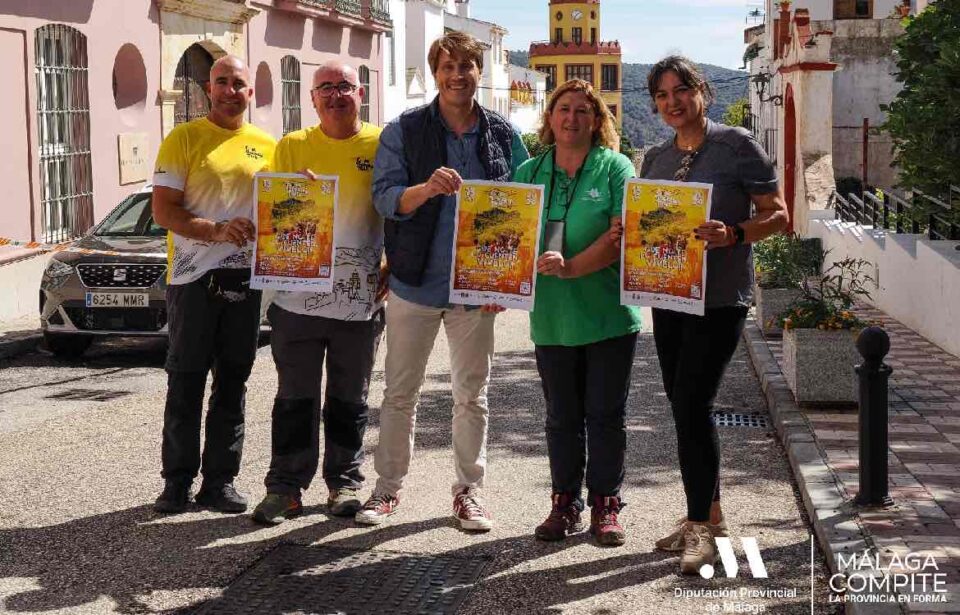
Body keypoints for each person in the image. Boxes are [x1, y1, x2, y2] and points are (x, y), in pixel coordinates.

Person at [359, 31, 528, 530]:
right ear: (435, 73)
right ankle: (387, 491)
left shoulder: (501, 133)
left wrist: (505, 281)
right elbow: (385, 198)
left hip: (476, 289)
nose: (457, 75)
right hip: (414, 282)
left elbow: (525, 202)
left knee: (471, 395)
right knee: (398, 394)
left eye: (467, 66)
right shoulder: (405, 130)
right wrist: (426, 188)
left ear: (481, 71)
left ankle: (468, 493)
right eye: (448, 67)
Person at [639, 56, 788, 573]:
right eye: (661, 95)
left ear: (702, 91)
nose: (672, 102)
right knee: (684, 407)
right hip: (669, 297)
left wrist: (736, 234)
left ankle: (701, 528)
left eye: (681, 90)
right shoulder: (654, 158)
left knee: (692, 400)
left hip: (721, 299)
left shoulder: (737, 146)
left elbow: (780, 215)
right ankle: (707, 515)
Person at [250, 61, 387, 525]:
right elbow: (268, 211)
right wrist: (289, 195)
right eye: (325, 87)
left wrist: (394, 262)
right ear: (311, 98)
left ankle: (344, 483)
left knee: (350, 398)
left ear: (360, 92)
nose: (335, 95)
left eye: (344, 86)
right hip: (296, 299)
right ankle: (284, 488)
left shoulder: (383, 144)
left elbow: (398, 212)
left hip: (360, 299)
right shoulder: (291, 147)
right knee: (295, 397)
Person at [513, 79, 642, 546]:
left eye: (583, 111)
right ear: (549, 118)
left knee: (606, 415)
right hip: (551, 319)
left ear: (597, 120)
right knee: (560, 417)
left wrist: (570, 269)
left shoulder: (615, 167)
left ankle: (606, 506)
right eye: (563, 109)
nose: (572, 118)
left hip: (608, 317)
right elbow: (508, 235)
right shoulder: (528, 172)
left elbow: (619, 237)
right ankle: (564, 503)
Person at [151, 55, 276, 513]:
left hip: (246, 278)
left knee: (233, 382)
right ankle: (177, 482)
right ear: (208, 89)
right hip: (192, 279)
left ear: (251, 92)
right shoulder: (183, 138)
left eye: (238, 83)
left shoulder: (268, 145)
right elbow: (163, 211)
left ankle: (220, 482)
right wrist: (215, 230)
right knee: (185, 380)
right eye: (221, 82)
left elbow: (282, 207)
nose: (229, 90)